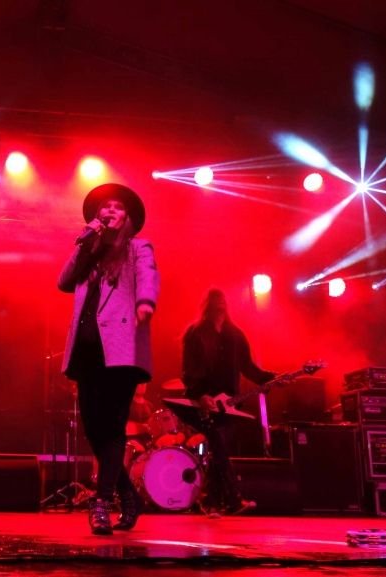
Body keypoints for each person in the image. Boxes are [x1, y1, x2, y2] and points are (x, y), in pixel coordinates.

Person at [59, 183, 158, 535]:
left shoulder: (137, 248)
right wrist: (86, 243)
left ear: (127, 217)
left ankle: (101, 502)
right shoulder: (91, 250)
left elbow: (148, 274)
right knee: (93, 428)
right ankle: (128, 494)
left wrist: (146, 302)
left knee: (113, 427)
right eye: (104, 207)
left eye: (116, 207)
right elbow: (64, 282)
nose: (109, 211)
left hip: (120, 348)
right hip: (86, 350)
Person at [181, 288, 275, 517]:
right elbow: (188, 369)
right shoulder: (195, 333)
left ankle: (212, 502)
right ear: (207, 304)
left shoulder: (235, 335)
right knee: (219, 445)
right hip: (204, 401)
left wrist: (272, 379)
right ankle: (231, 499)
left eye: (222, 299)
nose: (220, 303)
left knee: (219, 448)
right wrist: (200, 394)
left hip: (230, 403)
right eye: (215, 299)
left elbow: (248, 367)